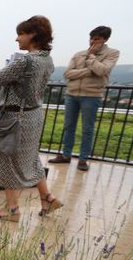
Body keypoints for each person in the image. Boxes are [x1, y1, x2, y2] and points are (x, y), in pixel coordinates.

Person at [0, 15, 63, 222]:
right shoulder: (47, 60)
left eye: (21, 34)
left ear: (33, 34)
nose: (17, 39)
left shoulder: (25, 61)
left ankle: (12, 210)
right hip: (34, 115)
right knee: (30, 158)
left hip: (16, 118)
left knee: (7, 158)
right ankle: (48, 198)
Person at [48, 26, 120, 171]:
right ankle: (66, 155)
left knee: (87, 129)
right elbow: (68, 74)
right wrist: (89, 71)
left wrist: (92, 57)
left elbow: (102, 71)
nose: (93, 41)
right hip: (72, 94)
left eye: (97, 39)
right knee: (69, 127)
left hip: (91, 96)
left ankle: (83, 159)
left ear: (105, 40)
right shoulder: (79, 54)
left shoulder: (112, 53)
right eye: (91, 38)